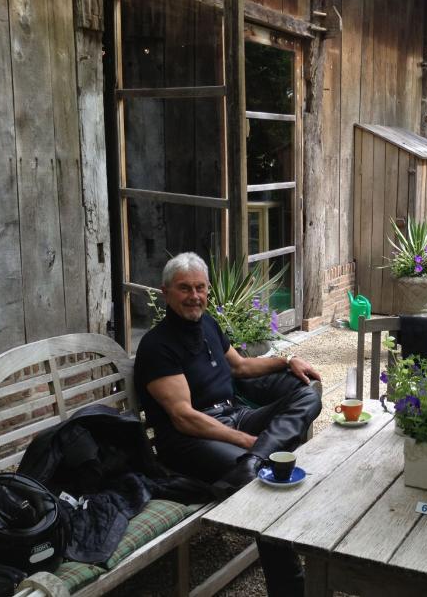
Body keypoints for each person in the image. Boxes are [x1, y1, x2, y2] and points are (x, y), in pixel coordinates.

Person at [134, 252, 323, 596]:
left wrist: (287, 361)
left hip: (233, 416)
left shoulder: (207, 323)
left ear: (208, 290)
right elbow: (184, 417)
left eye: (200, 288)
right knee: (265, 483)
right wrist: (247, 441)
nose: (194, 296)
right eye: (184, 288)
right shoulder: (156, 346)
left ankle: (254, 461)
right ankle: (291, 589)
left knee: (308, 395)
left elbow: (240, 367)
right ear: (166, 293)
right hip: (189, 441)